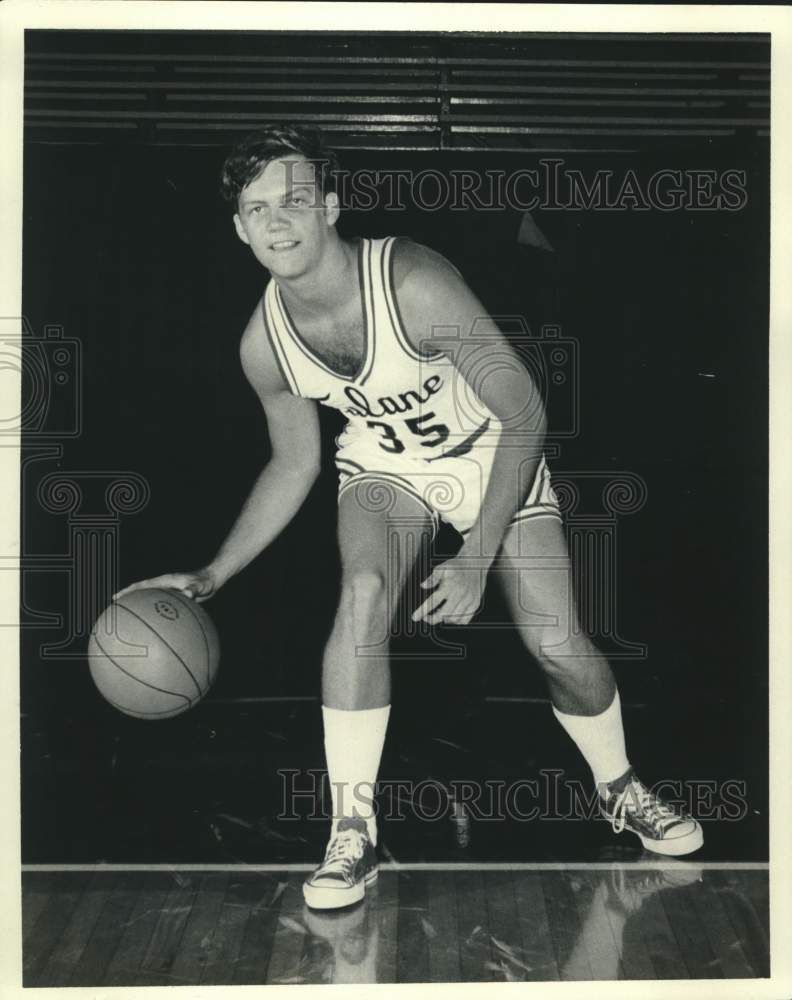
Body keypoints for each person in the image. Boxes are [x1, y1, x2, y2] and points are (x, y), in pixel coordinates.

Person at [114, 124, 703, 911]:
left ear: (329, 205)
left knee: (558, 643)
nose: (277, 220)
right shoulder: (266, 346)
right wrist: (214, 572)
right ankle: (351, 831)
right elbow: (295, 463)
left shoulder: (412, 281)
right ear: (239, 228)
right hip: (388, 470)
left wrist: (474, 555)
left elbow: (526, 410)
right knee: (362, 595)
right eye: (257, 209)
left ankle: (618, 785)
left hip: (493, 450)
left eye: (293, 200)